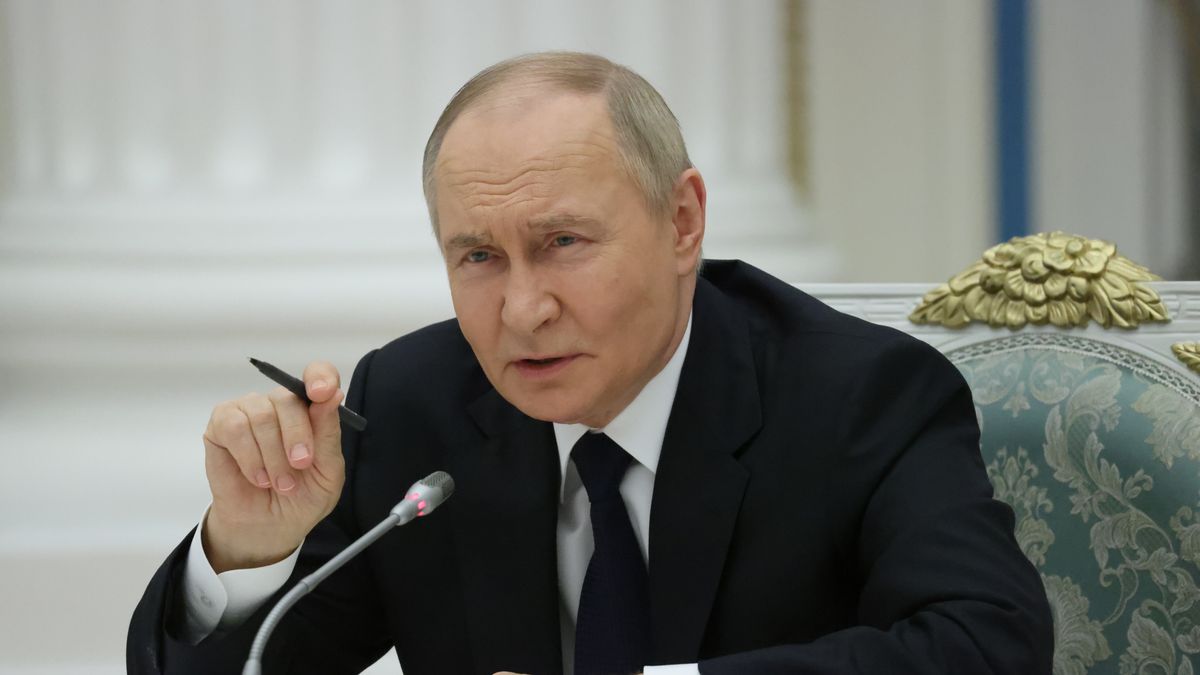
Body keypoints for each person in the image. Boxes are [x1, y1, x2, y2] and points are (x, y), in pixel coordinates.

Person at [128, 51, 1053, 674]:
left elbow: (987, 645)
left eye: (564, 240)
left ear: (682, 221)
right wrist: (248, 555)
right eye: (478, 257)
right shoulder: (411, 407)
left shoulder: (859, 396)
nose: (523, 310)